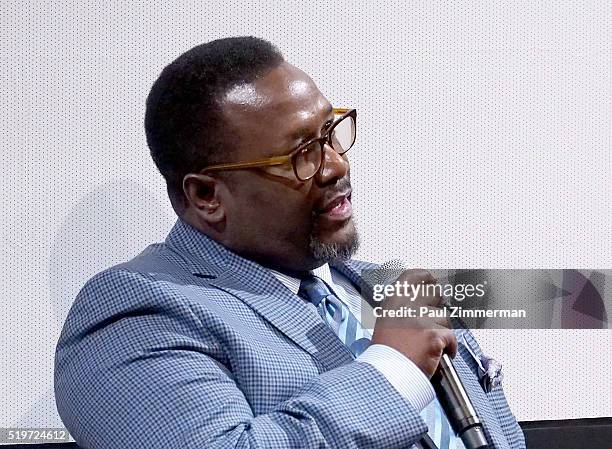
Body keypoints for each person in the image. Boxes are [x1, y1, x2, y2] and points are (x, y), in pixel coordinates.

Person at [54, 37, 526, 449]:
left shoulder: (388, 289)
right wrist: (395, 371)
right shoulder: (134, 313)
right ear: (206, 195)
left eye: (330, 133)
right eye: (301, 154)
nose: (336, 166)